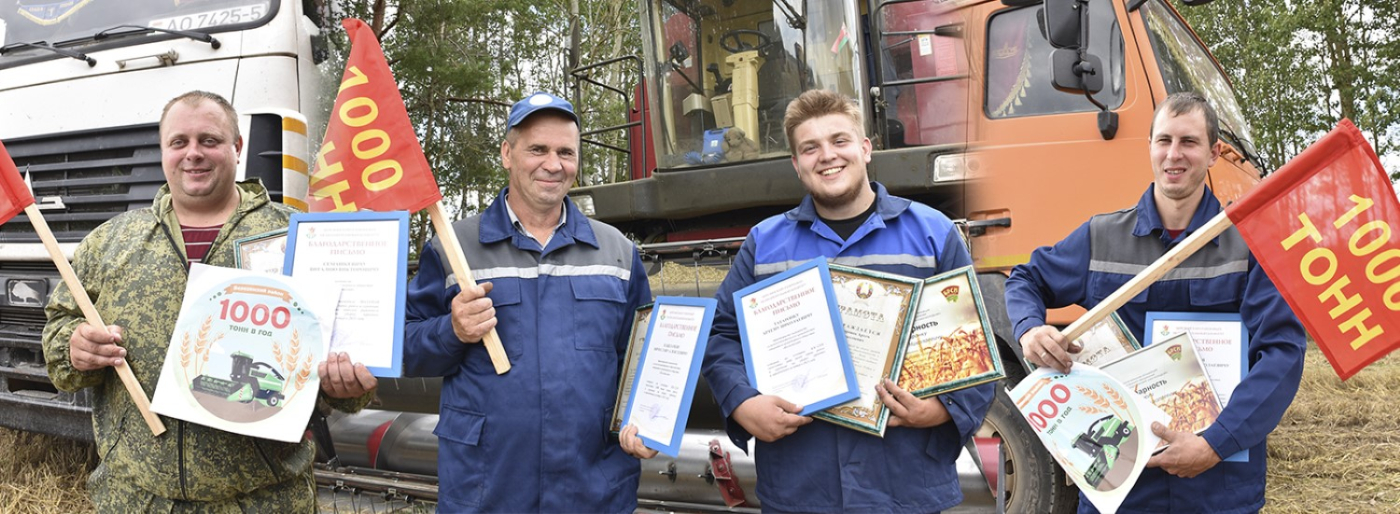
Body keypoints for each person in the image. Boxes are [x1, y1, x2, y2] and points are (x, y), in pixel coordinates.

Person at [42, 90, 377, 512]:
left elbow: (350, 360)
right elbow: (58, 333)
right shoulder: (110, 242)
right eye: (178, 142)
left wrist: (346, 386)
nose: (193, 154)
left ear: (238, 147)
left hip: (262, 501)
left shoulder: (299, 237)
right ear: (163, 151)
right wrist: (74, 347)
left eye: (210, 141)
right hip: (135, 499)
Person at [1005, 92, 1306, 513]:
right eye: (1163, 141)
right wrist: (1030, 329)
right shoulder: (1101, 236)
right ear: (1148, 147)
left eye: (1189, 142)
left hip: (1216, 482)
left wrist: (1214, 444)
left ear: (1214, 152)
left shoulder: (1251, 245)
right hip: (1122, 482)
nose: (1173, 155)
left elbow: (1282, 354)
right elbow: (1026, 279)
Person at [695, 89, 994, 512]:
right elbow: (722, 334)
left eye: (839, 141)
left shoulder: (934, 234)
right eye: (810, 148)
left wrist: (942, 410)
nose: (827, 156)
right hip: (801, 484)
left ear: (865, 148)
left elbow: (974, 343)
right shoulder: (763, 244)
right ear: (797, 165)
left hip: (903, 485)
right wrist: (743, 401)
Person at [403, 92, 651, 512]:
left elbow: (642, 360)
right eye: (538, 149)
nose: (553, 164)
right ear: (507, 153)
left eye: (565, 152)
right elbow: (404, 348)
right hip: (488, 490)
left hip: (591, 491)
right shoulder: (454, 248)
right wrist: (453, 330)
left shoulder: (617, 253)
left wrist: (650, 421)